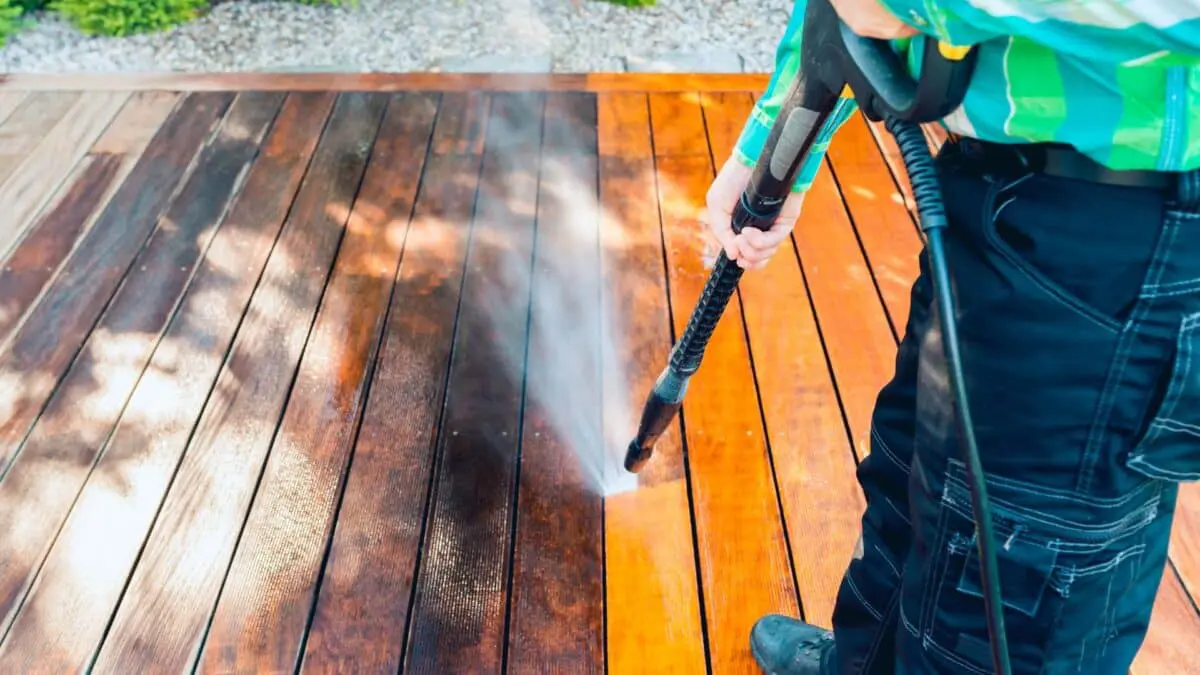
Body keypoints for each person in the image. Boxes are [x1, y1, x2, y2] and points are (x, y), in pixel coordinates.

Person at [706, 1, 1200, 673]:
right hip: (998, 191)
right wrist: (777, 138)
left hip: (1127, 239)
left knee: (1009, 589)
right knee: (913, 492)